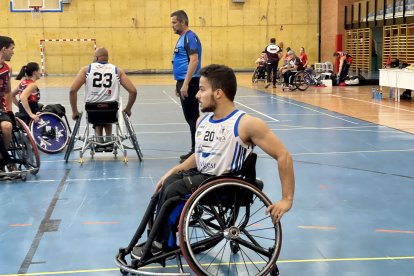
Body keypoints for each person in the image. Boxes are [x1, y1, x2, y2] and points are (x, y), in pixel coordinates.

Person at [132, 64, 295, 259]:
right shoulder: (203, 121)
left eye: (202, 89)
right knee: (167, 184)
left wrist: (287, 199)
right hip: (204, 180)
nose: (197, 95)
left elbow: (283, 155)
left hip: (225, 186)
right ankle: (158, 239)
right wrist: (175, 170)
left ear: (218, 93)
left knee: (174, 190)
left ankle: (160, 244)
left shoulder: (246, 124)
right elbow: (198, 155)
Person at [69, 47, 137, 152]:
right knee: (108, 109)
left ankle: (99, 141)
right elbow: (133, 91)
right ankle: (109, 140)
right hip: (111, 110)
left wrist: (74, 111)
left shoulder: (86, 70)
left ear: (96, 58)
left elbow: (72, 90)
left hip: (93, 111)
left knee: (97, 109)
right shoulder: (117, 70)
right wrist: (128, 109)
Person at [170, 10, 202, 163]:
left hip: (190, 81)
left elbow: (194, 61)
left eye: (174, 22)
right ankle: (194, 150)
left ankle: (197, 152)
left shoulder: (190, 37)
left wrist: (186, 84)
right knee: (190, 118)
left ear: (183, 22)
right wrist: (180, 85)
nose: (172, 26)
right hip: (183, 81)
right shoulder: (182, 38)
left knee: (193, 117)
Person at [0, 36, 15, 174]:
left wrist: (8, 110)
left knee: (7, 126)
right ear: (4, 49)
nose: (13, 52)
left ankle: (1, 159)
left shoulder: (7, 68)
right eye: (12, 49)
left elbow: (8, 91)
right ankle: (7, 160)